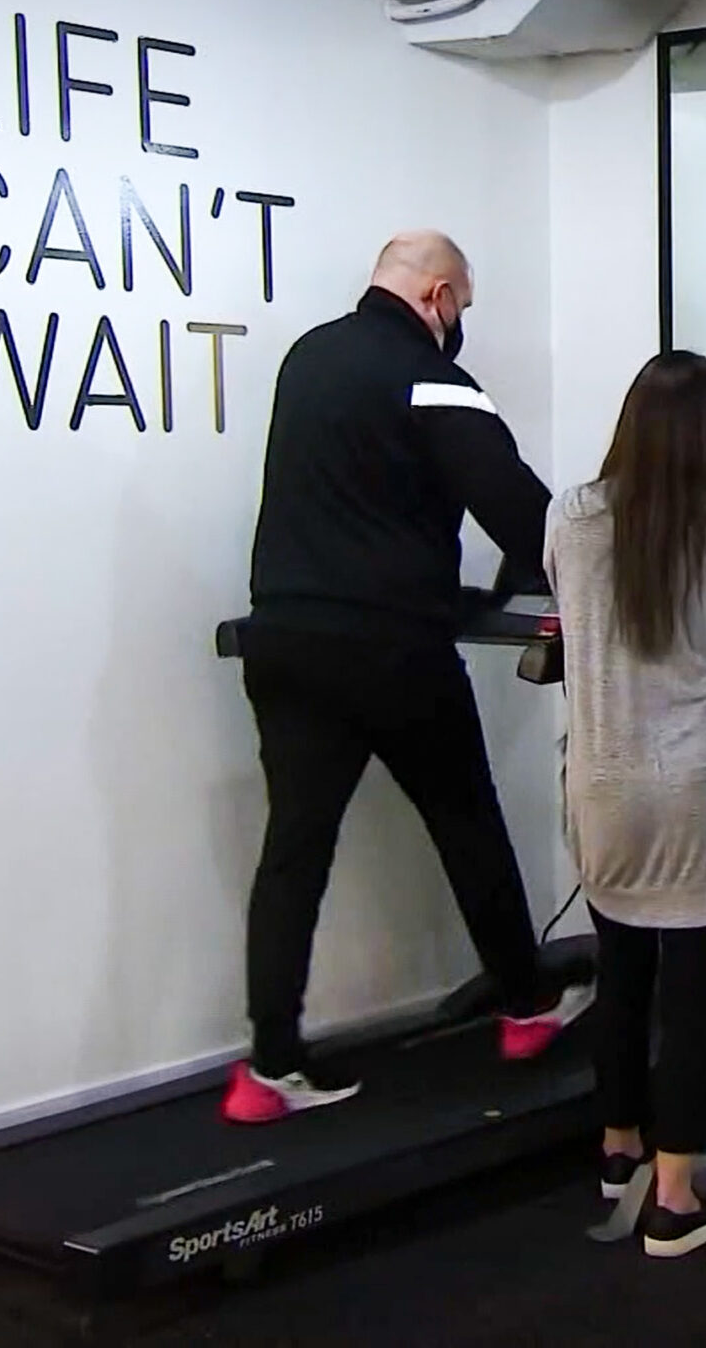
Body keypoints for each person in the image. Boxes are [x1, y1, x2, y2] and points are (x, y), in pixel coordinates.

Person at [223, 231, 591, 1126]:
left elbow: (351, 498)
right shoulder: (432, 379)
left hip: (285, 637)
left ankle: (268, 1067)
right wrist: (573, 571)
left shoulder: (308, 357)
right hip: (388, 649)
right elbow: (518, 507)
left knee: (292, 851)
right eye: (460, 305)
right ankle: (527, 1006)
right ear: (436, 294)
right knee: (466, 820)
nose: (459, 322)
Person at [545, 350, 706, 1258]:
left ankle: (618, 1147)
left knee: (623, 968)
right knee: (692, 992)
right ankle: (674, 1200)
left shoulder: (570, 517)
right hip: (700, 783)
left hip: (605, 782)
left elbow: (571, 605)